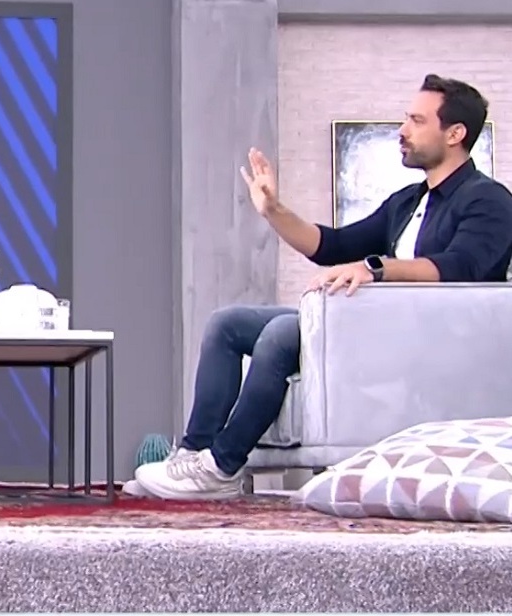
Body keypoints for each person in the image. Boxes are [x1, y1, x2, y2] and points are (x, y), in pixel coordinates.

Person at [134, 74, 512, 501]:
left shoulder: (489, 201)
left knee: (282, 333)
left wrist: (375, 269)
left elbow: (460, 268)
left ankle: (222, 467)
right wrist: (273, 209)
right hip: (378, 328)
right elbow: (331, 245)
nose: (402, 130)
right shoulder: (409, 200)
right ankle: (192, 457)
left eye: (417, 121)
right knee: (228, 324)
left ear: (455, 134)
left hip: (426, 344)